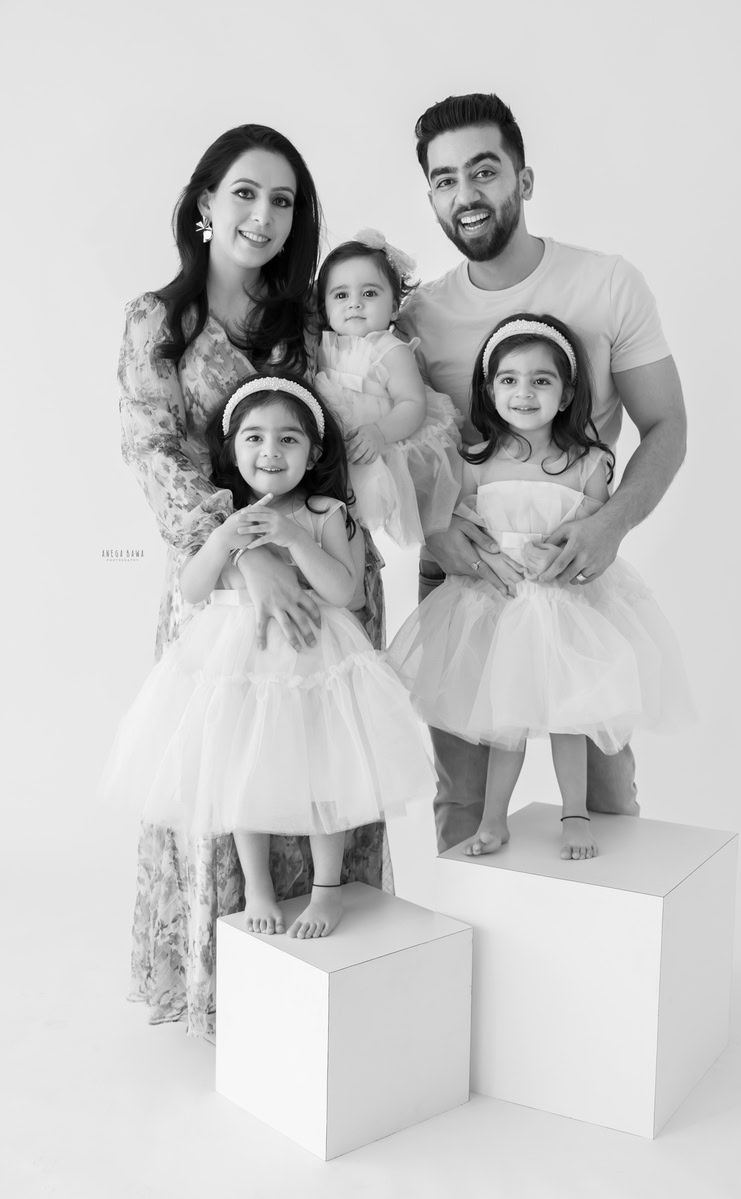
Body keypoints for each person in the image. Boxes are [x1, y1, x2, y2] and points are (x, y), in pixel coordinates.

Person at [119, 124, 390, 1036]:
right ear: (203, 203)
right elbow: (157, 457)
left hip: (327, 585)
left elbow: (369, 424)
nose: (263, 215)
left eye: (283, 201)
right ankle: (227, 996)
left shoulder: (316, 317)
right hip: (223, 589)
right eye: (244, 192)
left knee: (321, 773)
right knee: (227, 775)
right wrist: (253, 557)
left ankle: (331, 1011)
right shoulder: (159, 323)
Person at [395, 93, 687, 852]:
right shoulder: (420, 317)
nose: (466, 194)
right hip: (465, 580)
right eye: (444, 178)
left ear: (523, 180)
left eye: (484, 170)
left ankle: (608, 951)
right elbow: (395, 443)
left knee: (601, 800)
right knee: (463, 802)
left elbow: (667, 426)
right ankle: (468, 959)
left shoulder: (607, 285)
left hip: (574, 580)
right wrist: (434, 527)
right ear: (430, 193)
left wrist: (610, 522)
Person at [107, 375, 434, 937]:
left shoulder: (328, 510)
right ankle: (258, 886)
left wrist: (294, 537)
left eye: (289, 439)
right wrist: (221, 538)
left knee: (324, 776)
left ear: (313, 451)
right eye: (254, 438)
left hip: (313, 664)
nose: (270, 452)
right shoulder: (227, 512)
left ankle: (326, 889)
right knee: (242, 773)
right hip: (239, 664)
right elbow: (192, 589)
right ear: (232, 448)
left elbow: (346, 593)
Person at [390, 316, 691, 860]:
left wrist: (558, 550)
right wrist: (484, 553)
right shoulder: (475, 461)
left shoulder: (587, 463)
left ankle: (573, 813)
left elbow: (593, 530)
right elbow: (462, 526)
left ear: (566, 392)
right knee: (506, 716)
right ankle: (493, 818)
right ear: (488, 389)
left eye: (540, 381)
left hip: (566, 606)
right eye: (507, 380)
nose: (523, 393)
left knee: (569, 716)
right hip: (499, 605)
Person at [314, 230, 461, 547]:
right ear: (324, 308)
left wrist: (380, 432)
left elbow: (411, 403)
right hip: (333, 452)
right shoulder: (321, 346)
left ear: (394, 308)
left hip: (377, 445)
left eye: (369, 294)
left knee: (357, 522)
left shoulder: (391, 349)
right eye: (340, 296)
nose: (354, 303)